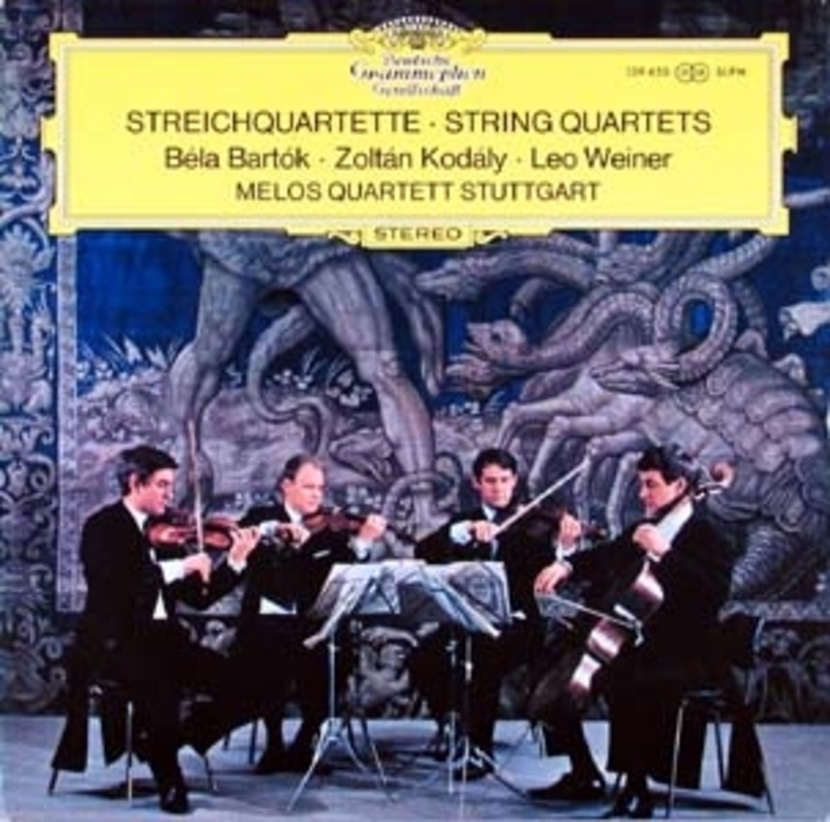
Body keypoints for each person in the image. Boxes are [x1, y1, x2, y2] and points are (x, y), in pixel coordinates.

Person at [53, 444, 260, 815]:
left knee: (247, 684)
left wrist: (234, 562)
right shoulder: (103, 527)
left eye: (170, 485)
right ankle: (170, 779)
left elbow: (199, 598)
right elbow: (116, 584)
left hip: (164, 639)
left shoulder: (166, 534)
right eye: (162, 485)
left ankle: (168, 742)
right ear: (136, 483)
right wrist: (179, 568)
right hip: (116, 643)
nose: (170, 494)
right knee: (158, 684)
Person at [531, 444, 735, 818]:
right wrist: (567, 567)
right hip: (639, 638)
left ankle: (636, 789)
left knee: (626, 677)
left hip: (687, 647)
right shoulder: (646, 528)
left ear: (679, 486)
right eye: (641, 484)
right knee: (553, 661)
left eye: (650, 484)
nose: (642, 494)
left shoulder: (708, 534)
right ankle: (582, 771)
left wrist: (665, 554)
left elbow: (712, 594)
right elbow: (606, 556)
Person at [413, 447, 578, 780]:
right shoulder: (465, 521)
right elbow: (424, 551)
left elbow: (551, 573)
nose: (499, 488)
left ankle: (480, 752)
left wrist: (565, 549)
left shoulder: (537, 523)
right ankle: (453, 725)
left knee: (482, 656)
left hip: (521, 624)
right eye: (490, 481)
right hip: (471, 620)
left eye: (505, 480)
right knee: (423, 658)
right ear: (477, 483)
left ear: (514, 480)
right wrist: (463, 532)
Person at [233, 453, 387, 774]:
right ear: (286, 486)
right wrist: (285, 538)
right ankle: (273, 743)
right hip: (267, 624)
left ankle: (304, 742)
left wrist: (362, 542)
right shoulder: (261, 518)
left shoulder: (330, 530)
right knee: (268, 651)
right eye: (308, 487)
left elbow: (344, 574)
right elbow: (259, 566)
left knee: (337, 654)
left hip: (311, 623)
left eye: (320, 488)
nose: (317, 495)